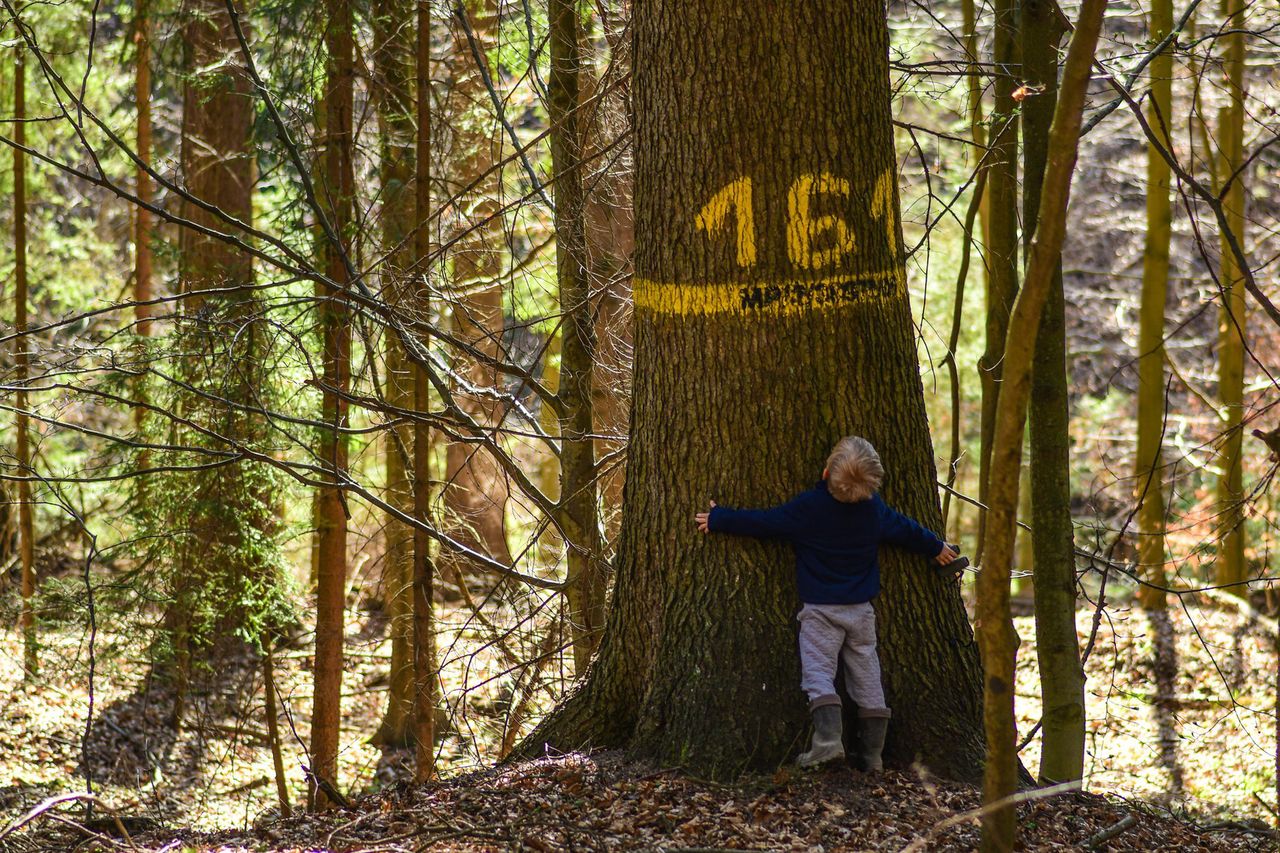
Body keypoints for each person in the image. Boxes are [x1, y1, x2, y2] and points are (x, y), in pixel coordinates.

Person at [694, 436, 960, 770]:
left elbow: (766, 522)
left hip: (821, 611)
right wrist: (936, 547)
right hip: (861, 612)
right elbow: (907, 531)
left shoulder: (809, 508)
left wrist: (721, 519)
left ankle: (828, 742)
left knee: (818, 673)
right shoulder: (874, 511)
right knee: (866, 675)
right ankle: (872, 755)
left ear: (825, 473)